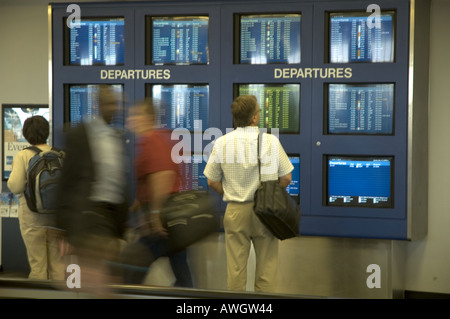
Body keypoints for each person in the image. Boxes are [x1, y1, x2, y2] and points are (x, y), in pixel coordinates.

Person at [203, 95, 293, 292]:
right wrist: (270, 194)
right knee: (266, 271)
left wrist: (230, 191)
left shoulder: (222, 143)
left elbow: (211, 180)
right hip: (266, 213)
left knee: (235, 273)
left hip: (235, 212)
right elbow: (286, 178)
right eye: (259, 111)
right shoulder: (270, 141)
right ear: (254, 118)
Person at [56, 85, 129, 295]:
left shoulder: (116, 137)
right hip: (86, 218)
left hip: (108, 220)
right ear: (99, 105)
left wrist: (121, 227)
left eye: (117, 103)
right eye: (110, 103)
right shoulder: (79, 134)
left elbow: (120, 184)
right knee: (82, 282)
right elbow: (67, 180)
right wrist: (62, 227)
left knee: (107, 281)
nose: (115, 108)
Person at [125, 98, 193, 288]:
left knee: (133, 266)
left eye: (136, 115)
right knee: (182, 273)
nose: (132, 119)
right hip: (171, 218)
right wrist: (137, 204)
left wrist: (155, 215)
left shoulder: (152, 140)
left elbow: (163, 175)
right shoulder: (160, 138)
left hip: (162, 219)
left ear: (148, 117)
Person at [7, 115, 65, 281]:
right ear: (46, 132)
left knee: (38, 265)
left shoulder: (23, 156)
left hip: (32, 218)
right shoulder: (59, 155)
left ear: (26, 134)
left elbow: (16, 186)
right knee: (58, 266)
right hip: (56, 219)